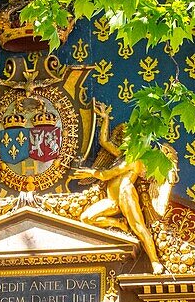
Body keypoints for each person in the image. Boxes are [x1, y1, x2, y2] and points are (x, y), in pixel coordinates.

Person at [72, 101, 177, 274]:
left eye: (128, 138)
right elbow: (104, 141)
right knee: (85, 218)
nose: (123, 140)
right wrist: (105, 118)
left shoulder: (134, 160)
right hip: (112, 201)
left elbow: (107, 175)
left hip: (126, 194)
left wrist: (91, 172)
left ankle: (154, 261)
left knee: (139, 227)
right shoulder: (120, 155)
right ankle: (118, 223)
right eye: (123, 137)